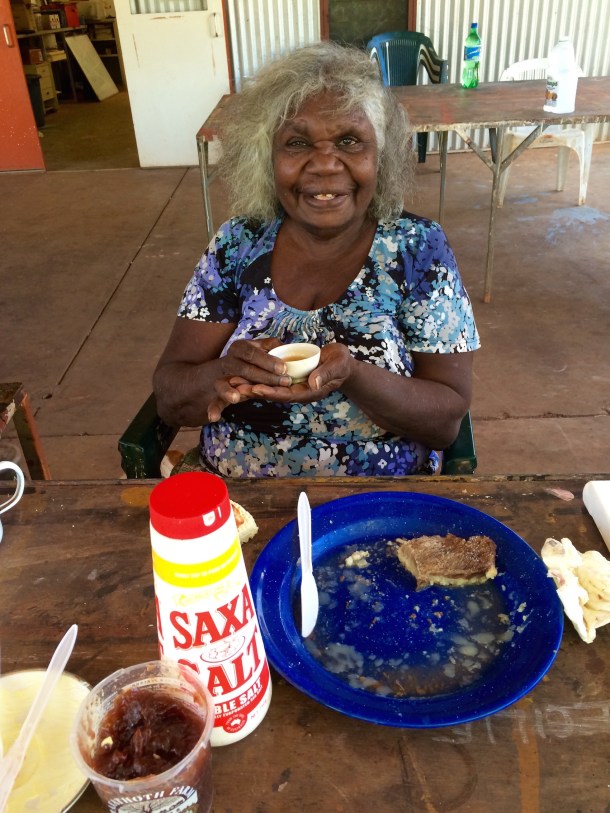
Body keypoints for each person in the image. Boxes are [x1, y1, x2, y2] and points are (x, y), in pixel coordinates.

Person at [153, 41, 480, 477]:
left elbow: (444, 422)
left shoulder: (417, 249)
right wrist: (223, 372)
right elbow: (170, 395)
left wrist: (354, 376)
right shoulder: (237, 244)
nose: (325, 164)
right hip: (237, 504)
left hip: (378, 507)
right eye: (297, 142)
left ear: (380, 157)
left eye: (349, 140)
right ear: (266, 159)